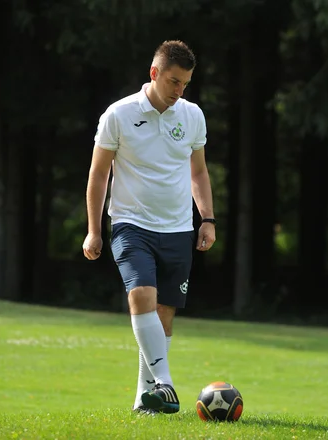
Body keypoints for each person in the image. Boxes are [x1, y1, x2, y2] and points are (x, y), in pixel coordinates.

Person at [82, 40, 216, 414]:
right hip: (131, 224)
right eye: (174, 82)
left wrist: (206, 218)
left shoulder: (192, 116)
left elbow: (199, 172)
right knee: (140, 295)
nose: (179, 91)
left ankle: (145, 401)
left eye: (185, 84)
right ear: (154, 74)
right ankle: (166, 383)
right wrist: (93, 229)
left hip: (178, 229)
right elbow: (98, 174)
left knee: (164, 315)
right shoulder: (118, 114)